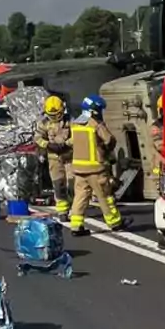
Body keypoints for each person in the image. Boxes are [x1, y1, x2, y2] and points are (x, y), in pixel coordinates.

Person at [69, 93, 129, 235]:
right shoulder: (96, 124)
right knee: (105, 196)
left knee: (80, 197)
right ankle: (115, 222)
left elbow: (71, 143)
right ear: (94, 110)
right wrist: (104, 150)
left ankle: (76, 226)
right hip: (96, 169)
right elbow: (109, 140)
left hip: (78, 169)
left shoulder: (75, 123)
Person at [34, 94, 72, 222]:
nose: (55, 117)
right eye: (52, 115)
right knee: (58, 184)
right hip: (54, 159)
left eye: (58, 114)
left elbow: (77, 135)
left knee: (72, 183)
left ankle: (75, 207)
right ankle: (62, 210)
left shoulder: (70, 121)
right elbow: (38, 138)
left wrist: (66, 144)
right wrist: (48, 145)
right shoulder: (43, 123)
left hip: (69, 157)